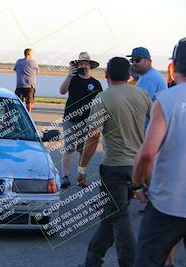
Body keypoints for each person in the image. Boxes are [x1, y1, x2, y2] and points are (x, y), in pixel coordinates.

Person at [77, 57, 152, 267]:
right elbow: (156, 122)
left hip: (114, 168)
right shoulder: (142, 94)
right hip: (138, 167)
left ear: (106, 75)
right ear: (129, 75)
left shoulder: (103, 98)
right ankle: (92, 260)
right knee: (111, 214)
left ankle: (130, 263)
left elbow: (93, 137)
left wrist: (82, 168)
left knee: (119, 217)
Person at [132, 37, 186, 267]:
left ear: (172, 68)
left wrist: (136, 184)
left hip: (167, 203)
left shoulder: (167, 100)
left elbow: (147, 153)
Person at [59, 52, 102, 188]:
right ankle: (65, 176)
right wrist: (68, 76)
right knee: (69, 147)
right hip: (71, 118)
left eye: (85, 63)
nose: (83, 65)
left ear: (90, 65)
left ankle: (80, 175)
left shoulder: (95, 83)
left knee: (83, 149)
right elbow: (62, 91)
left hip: (87, 121)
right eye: (81, 63)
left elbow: (100, 101)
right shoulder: (73, 79)